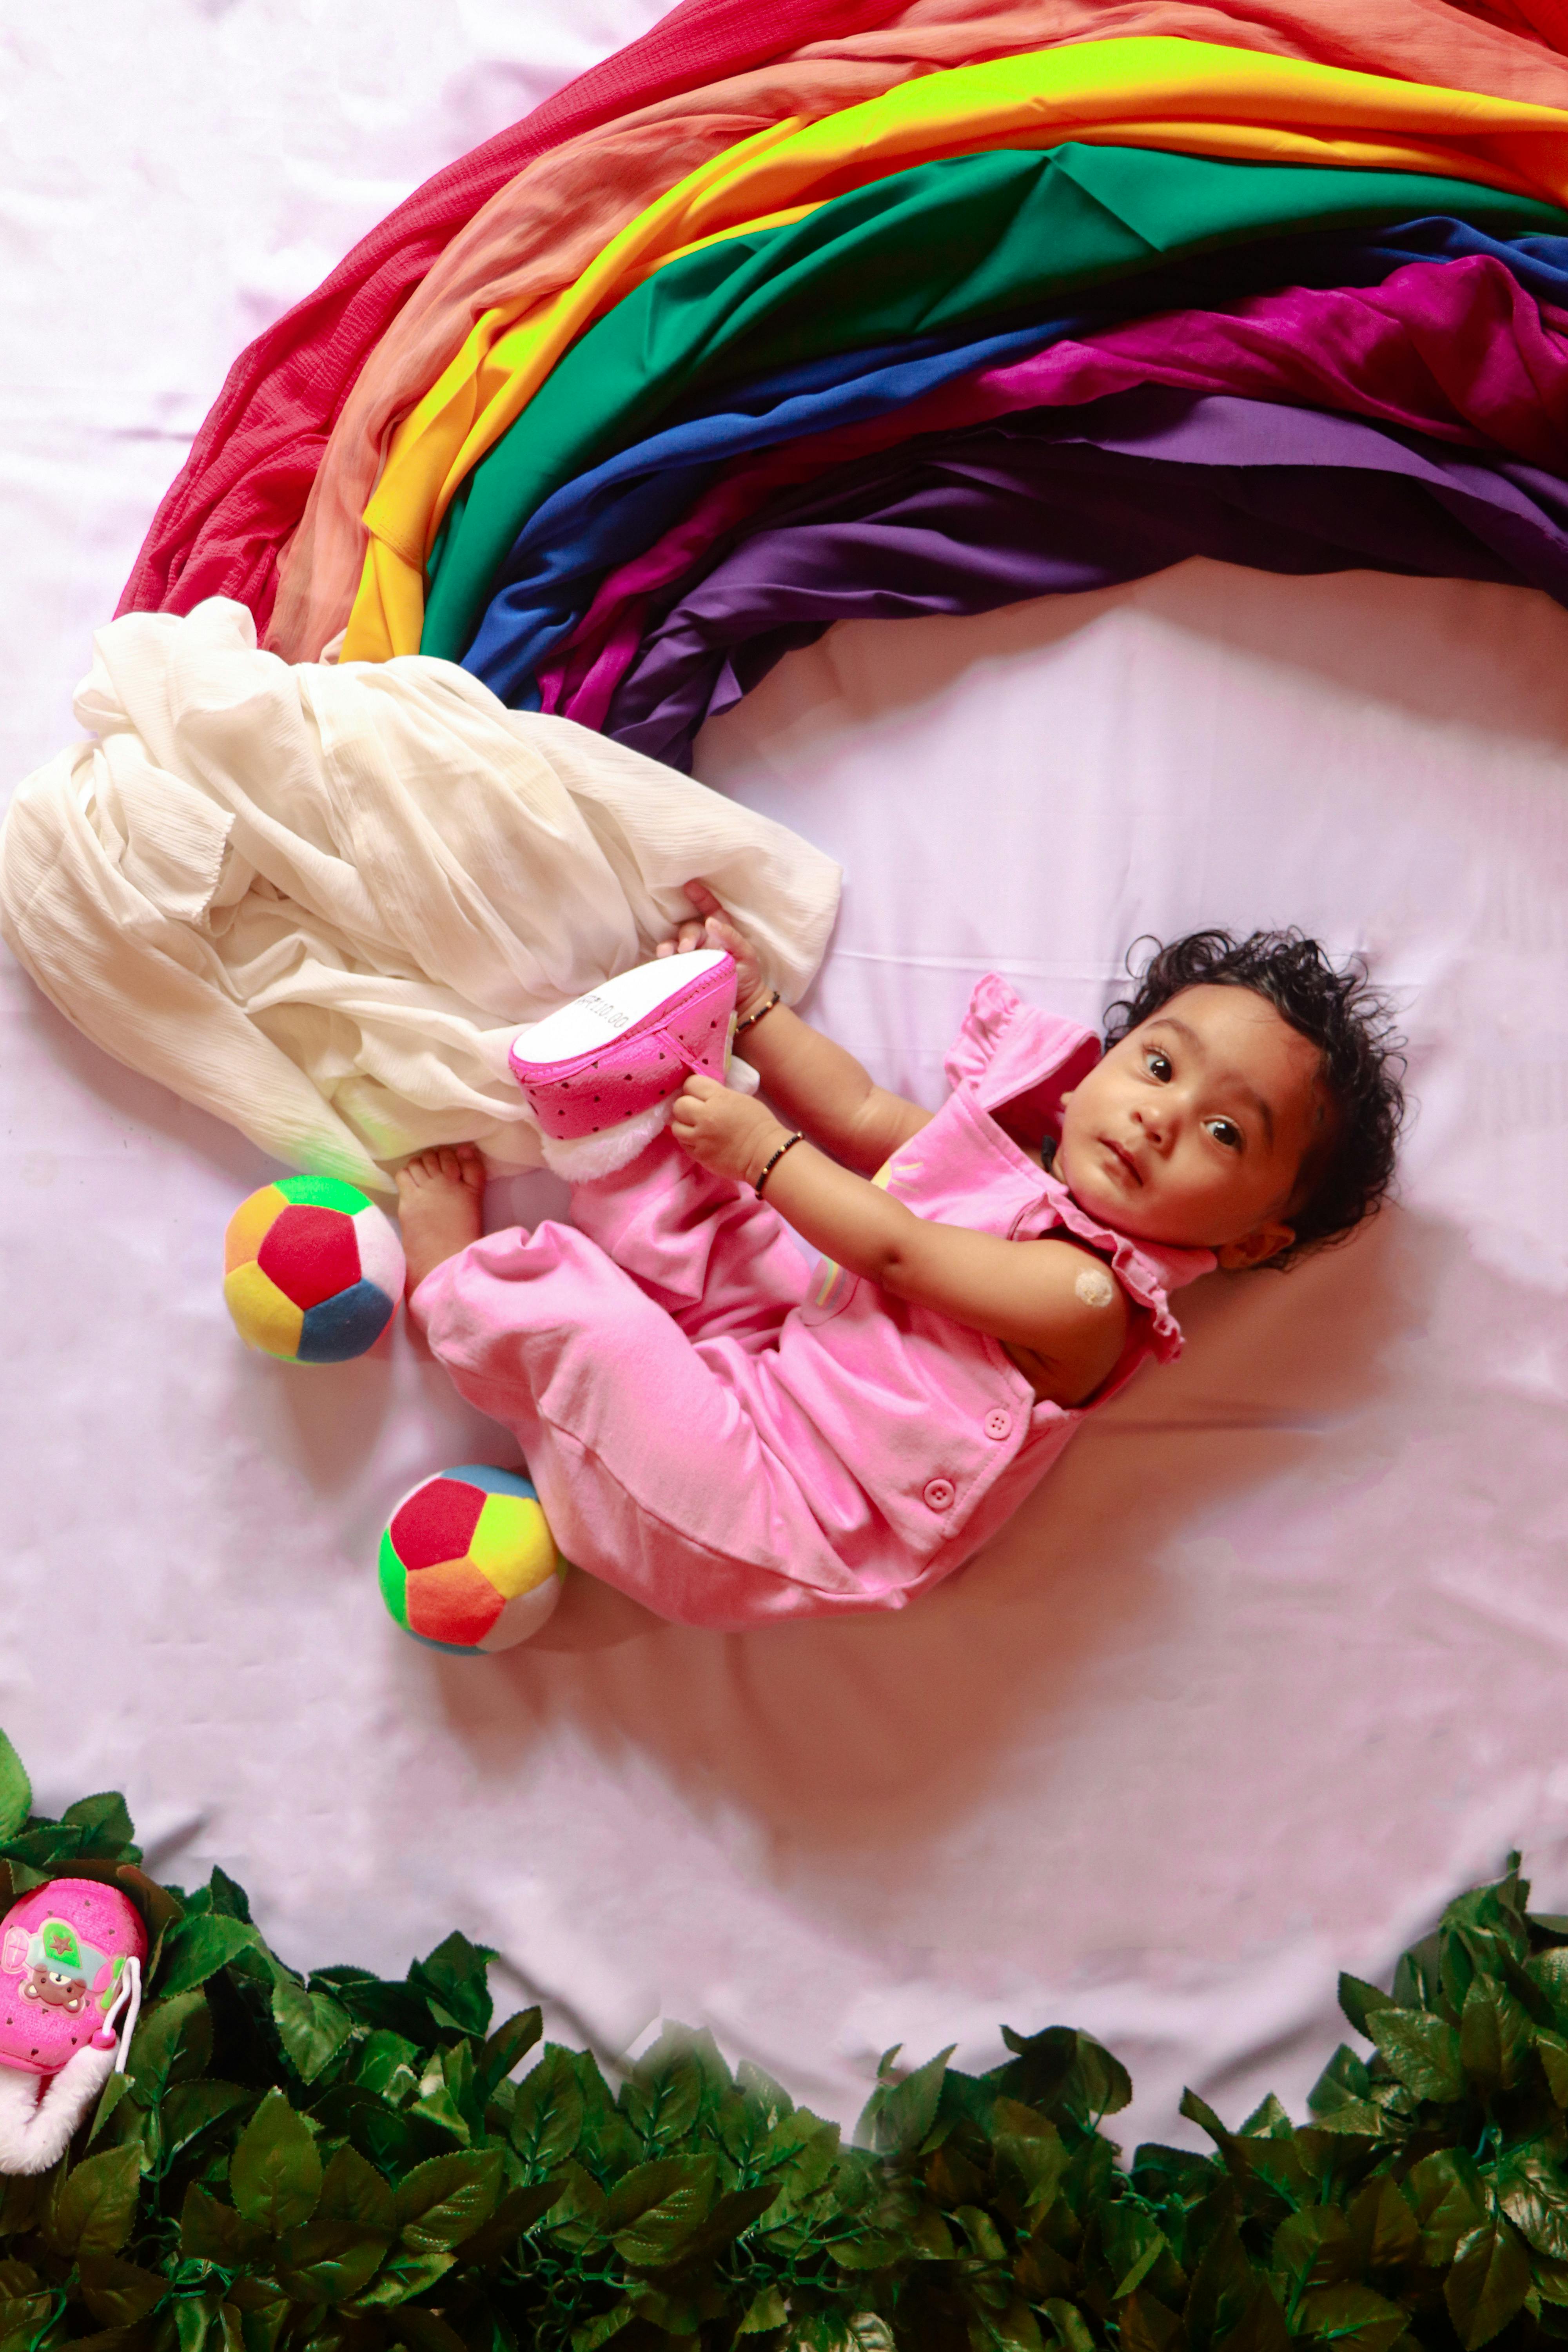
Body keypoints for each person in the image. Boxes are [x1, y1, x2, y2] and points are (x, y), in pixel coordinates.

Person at [396, 884, 1403, 1629]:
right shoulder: (1006, 1171)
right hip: (773, 1369)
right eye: (1156, 1063)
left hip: (774, 1517)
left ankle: (453, 1287)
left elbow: (901, 1253)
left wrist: (763, 1151)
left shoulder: (1089, 1296)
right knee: (713, 1237)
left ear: (1252, 1238)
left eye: (1225, 1134)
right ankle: (624, 1114)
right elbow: (858, 1112)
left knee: (600, 1326)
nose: (1160, 1118)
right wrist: (755, 1008)